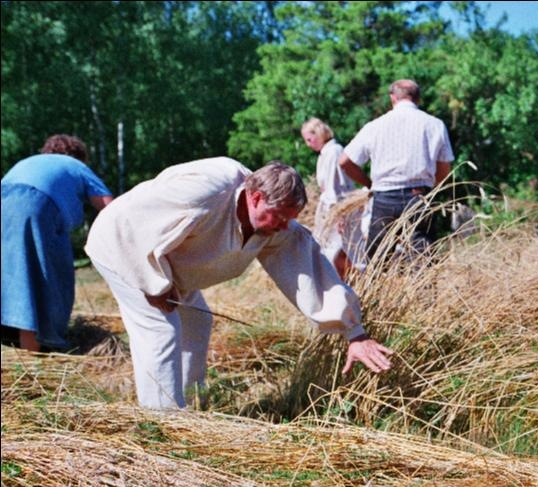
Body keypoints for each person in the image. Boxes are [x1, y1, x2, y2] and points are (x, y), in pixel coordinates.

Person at [85, 157, 394, 410]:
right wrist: (157, 285)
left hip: (168, 261)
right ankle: (162, 424)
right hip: (123, 246)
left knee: (196, 323)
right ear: (255, 196)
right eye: (278, 217)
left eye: (289, 219)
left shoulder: (276, 225)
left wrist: (354, 332)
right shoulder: (204, 192)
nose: (283, 226)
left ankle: (191, 407)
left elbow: (310, 268)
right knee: (161, 328)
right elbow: (132, 225)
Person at [1, 134, 114, 352]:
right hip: (34, 204)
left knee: (10, 274)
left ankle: (12, 341)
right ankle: (34, 355)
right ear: (79, 156)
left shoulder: (28, 162)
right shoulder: (75, 165)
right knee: (39, 277)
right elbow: (111, 208)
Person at [339, 79, 454, 260]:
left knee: (378, 260)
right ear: (418, 99)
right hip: (419, 196)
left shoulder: (375, 126)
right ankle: (420, 288)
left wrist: (370, 184)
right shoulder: (435, 125)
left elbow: (345, 161)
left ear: (393, 98)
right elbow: (444, 168)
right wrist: (431, 190)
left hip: (384, 197)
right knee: (422, 260)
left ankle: (380, 288)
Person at [301, 117, 367, 278]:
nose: (308, 144)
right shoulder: (326, 153)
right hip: (332, 210)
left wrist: (339, 216)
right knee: (332, 252)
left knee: (340, 251)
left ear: (318, 134)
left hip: (339, 210)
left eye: (310, 139)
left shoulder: (333, 152)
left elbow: (336, 190)